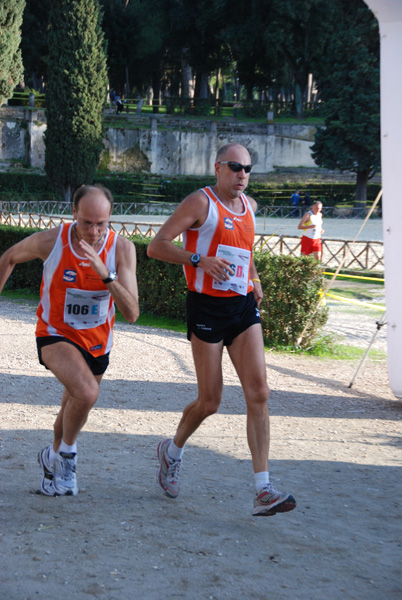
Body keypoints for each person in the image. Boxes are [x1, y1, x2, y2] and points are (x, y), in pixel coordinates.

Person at [147, 143, 296, 517]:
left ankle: (263, 489)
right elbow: (155, 246)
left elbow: (245, 250)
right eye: (235, 167)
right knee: (210, 401)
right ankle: (173, 450)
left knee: (259, 392)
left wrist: (255, 276)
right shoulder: (200, 203)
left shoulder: (251, 207)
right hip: (207, 308)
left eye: (247, 168)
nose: (242, 174)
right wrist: (199, 259)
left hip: (242, 306)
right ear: (218, 168)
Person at [0, 184, 139, 496]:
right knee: (87, 393)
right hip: (55, 334)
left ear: (110, 217)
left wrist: (106, 275)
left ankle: (51, 457)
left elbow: (132, 312)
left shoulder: (122, 249)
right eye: (86, 222)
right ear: (74, 213)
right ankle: (67, 456)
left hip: (97, 343)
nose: (93, 232)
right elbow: (8, 257)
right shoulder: (52, 241)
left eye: (100, 224)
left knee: (71, 408)